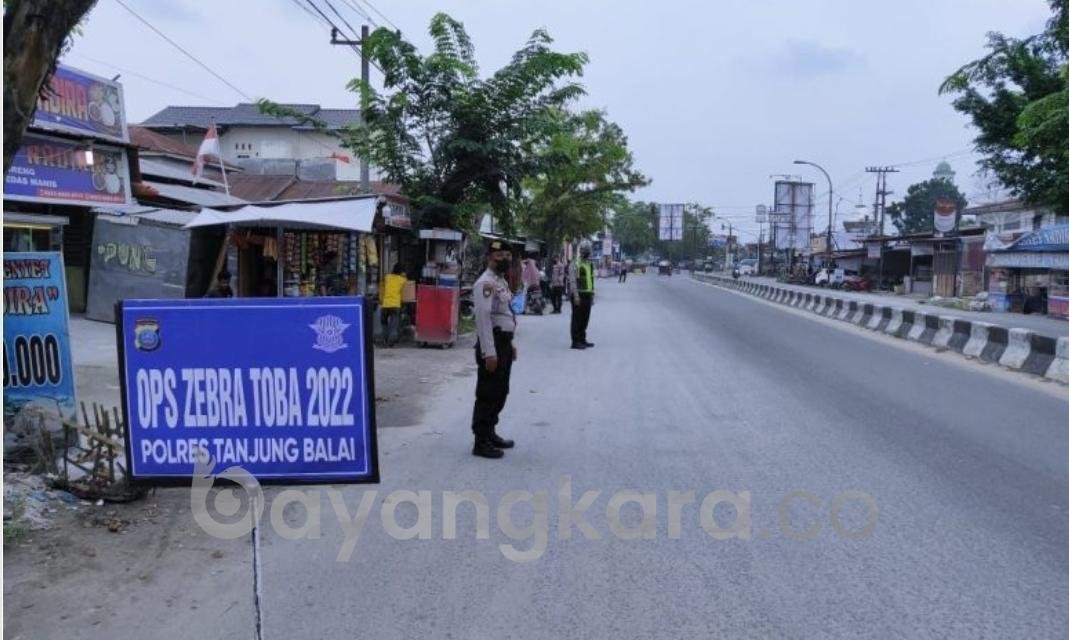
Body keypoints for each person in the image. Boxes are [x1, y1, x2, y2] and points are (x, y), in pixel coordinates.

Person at [470, 240, 518, 459]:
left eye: (507, 256)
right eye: (500, 256)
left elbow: (505, 313)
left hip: (503, 343)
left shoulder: (500, 281)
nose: (505, 260)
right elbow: (483, 320)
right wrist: (489, 352)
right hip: (493, 344)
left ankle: (491, 431)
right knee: (488, 393)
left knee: (501, 391)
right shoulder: (485, 283)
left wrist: (510, 344)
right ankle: (480, 441)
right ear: (490, 257)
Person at [569, 243, 595, 350]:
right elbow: (572, 280)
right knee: (577, 319)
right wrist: (576, 296)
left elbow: (591, 279)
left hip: (587, 295)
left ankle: (582, 339)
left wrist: (592, 294)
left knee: (585, 319)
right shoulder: (575, 263)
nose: (588, 253)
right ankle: (575, 342)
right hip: (578, 295)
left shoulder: (589, 264)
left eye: (588, 251)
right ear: (581, 251)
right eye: (586, 251)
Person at [379, 263, 406, 347]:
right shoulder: (402, 280)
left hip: (385, 304)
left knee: (384, 323)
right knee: (394, 324)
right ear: (401, 271)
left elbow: (381, 289)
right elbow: (403, 292)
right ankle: (391, 341)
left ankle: (384, 340)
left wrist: (381, 299)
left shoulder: (387, 277)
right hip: (395, 304)